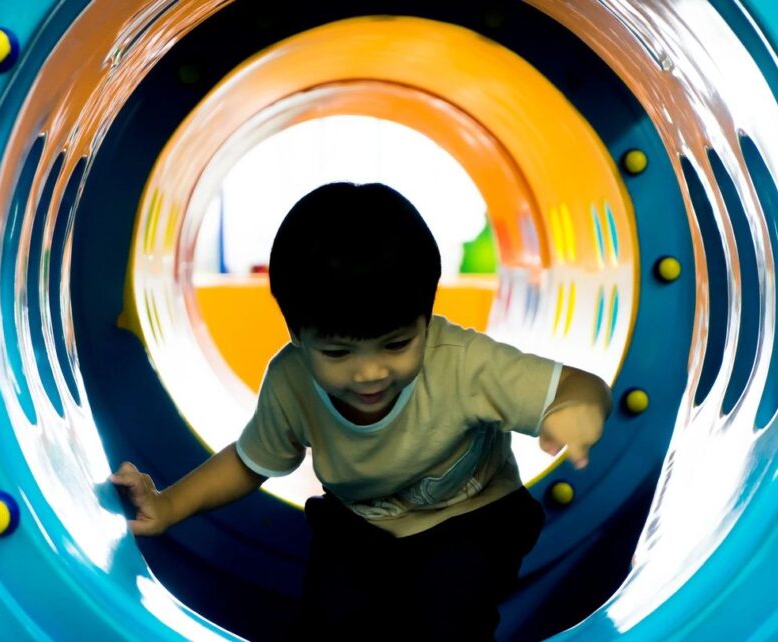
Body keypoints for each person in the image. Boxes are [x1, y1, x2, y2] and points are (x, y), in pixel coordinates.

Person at [110, 182, 612, 641]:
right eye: (338, 353)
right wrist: (169, 505)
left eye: (396, 345)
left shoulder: (463, 362)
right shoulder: (291, 380)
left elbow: (579, 385)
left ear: (426, 319)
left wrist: (575, 408)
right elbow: (249, 461)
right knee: (331, 620)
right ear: (297, 337)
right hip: (360, 523)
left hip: (473, 518)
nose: (370, 373)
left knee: (446, 614)